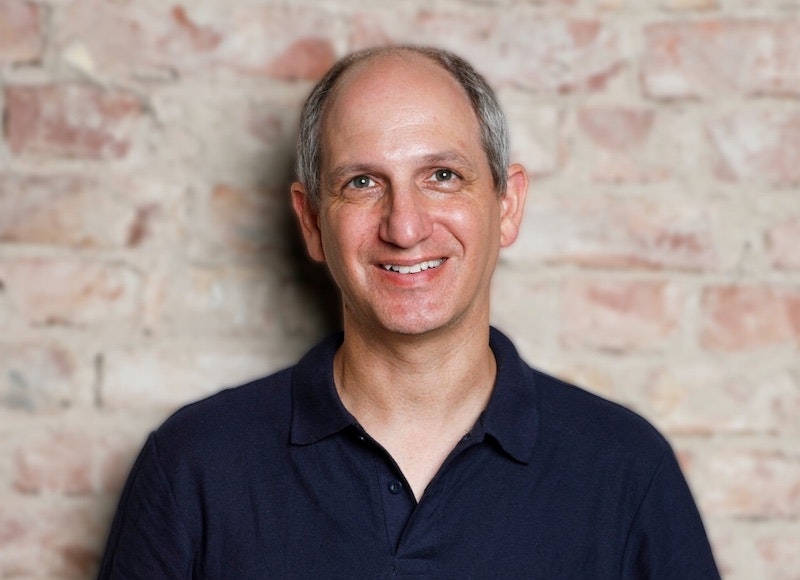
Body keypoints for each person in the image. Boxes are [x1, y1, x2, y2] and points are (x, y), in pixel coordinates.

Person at [97, 45, 720, 579]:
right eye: (362, 183)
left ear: (507, 206)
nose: (405, 225)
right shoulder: (193, 465)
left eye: (443, 175)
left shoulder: (625, 469)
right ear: (312, 221)